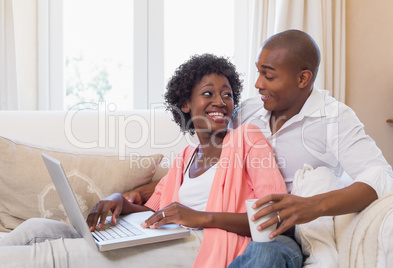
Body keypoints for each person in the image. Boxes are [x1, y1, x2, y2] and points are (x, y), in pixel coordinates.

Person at [125, 30, 393, 267]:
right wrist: (143, 192)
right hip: (250, 227)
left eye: (268, 76)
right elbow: (209, 160)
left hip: (294, 230)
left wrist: (312, 206)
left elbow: (380, 177)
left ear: (303, 79)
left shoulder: (334, 119)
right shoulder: (248, 112)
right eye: (258, 72)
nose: (258, 84)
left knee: (266, 250)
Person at [0, 54, 299, 267]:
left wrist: (202, 218)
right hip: (167, 238)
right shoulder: (185, 158)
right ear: (186, 104)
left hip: (210, 247)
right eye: (208, 93)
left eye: (227, 95)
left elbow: (277, 219)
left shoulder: (248, 139)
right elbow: (153, 212)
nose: (221, 102)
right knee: (35, 229)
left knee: (51, 258)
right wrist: (120, 200)